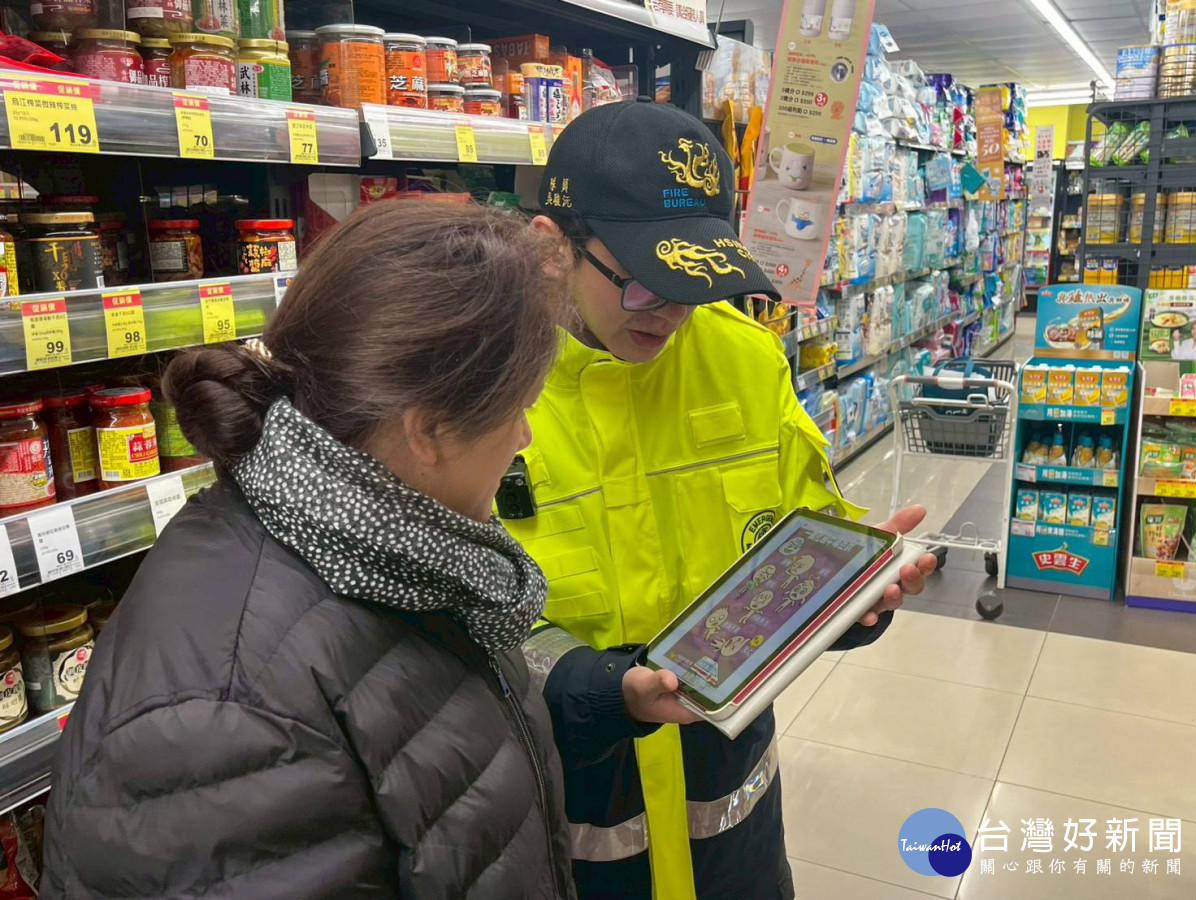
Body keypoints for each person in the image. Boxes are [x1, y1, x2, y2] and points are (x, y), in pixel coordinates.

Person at [42, 202, 576, 899]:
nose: (525, 437)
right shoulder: (228, 716)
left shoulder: (405, 555)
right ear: (429, 431)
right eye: (520, 407)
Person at [504, 99, 938, 900]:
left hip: (732, 814)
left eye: (696, 281)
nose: (674, 312)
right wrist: (604, 689)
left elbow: (799, 540)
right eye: (647, 283)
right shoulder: (483, 389)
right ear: (551, 249)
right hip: (567, 806)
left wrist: (850, 597)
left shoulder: (744, 360)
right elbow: (458, 620)